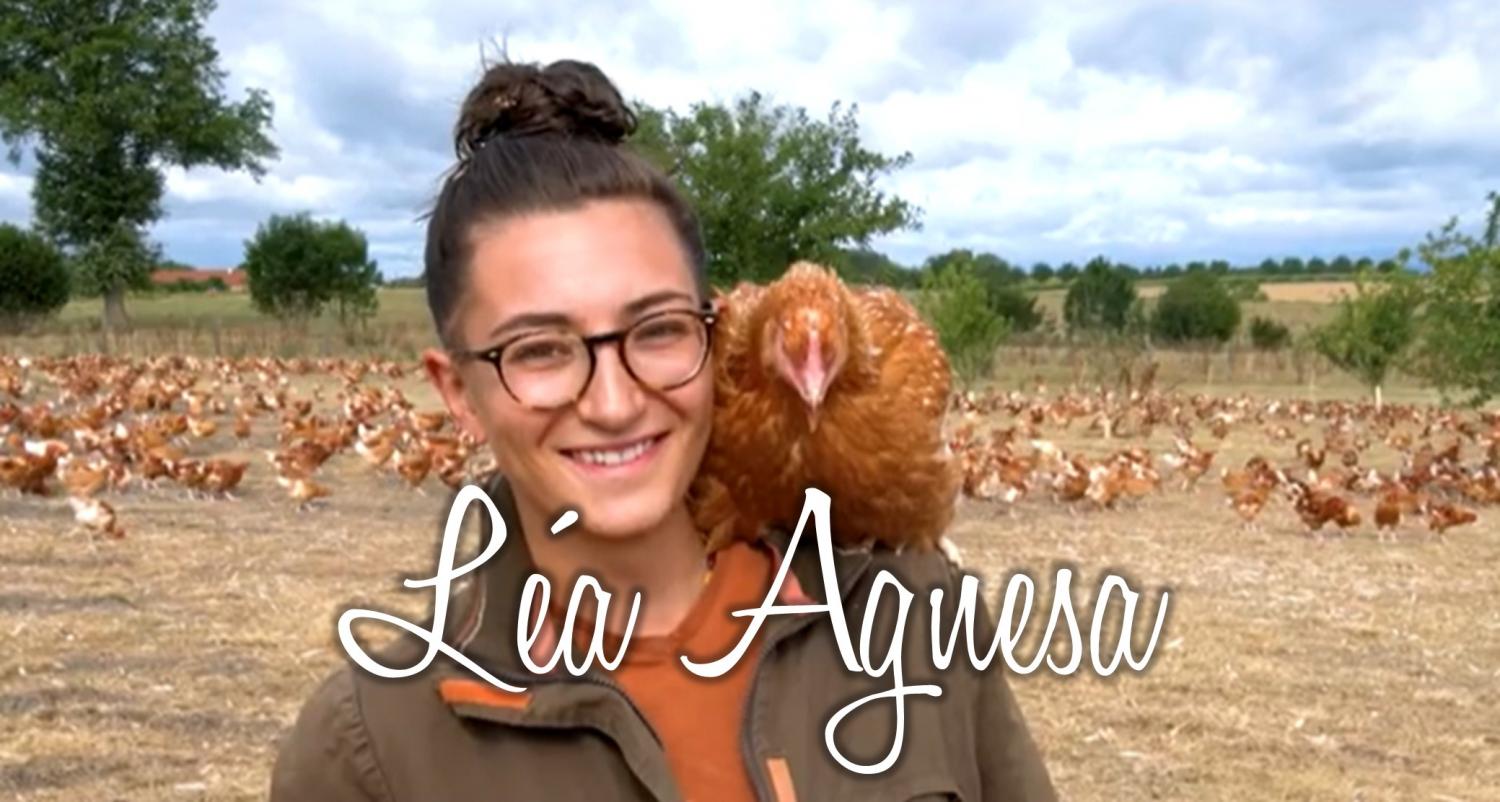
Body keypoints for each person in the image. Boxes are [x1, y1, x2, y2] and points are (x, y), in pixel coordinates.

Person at [268, 56, 1057, 802]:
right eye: (540, 350)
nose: (614, 402)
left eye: (656, 331)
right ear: (460, 392)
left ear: (713, 335)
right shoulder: (376, 745)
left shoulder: (913, 616)